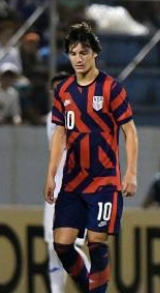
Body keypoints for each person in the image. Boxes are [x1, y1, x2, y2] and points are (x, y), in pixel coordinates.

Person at [44, 21, 138, 293]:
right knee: (62, 244)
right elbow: (59, 136)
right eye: (73, 53)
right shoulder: (63, 91)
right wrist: (50, 176)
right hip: (73, 181)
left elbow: (130, 132)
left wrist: (131, 172)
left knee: (96, 241)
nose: (78, 58)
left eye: (83, 52)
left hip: (104, 180)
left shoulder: (111, 88)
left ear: (94, 53)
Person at [43, 71, 91, 293]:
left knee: (66, 245)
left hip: (75, 186)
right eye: (54, 89)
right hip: (56, 185)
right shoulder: (52, 118)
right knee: (53, 245)